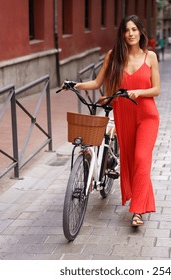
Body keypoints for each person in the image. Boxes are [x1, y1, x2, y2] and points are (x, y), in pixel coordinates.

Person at [63, 15, 160, 227]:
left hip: (147, 116)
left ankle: (137, 211)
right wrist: (75, 85)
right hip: (124, 115)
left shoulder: (150, 56)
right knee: (130, 160)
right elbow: (98, 82)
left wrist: (139, 92)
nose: (131, 34)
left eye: (134, 29)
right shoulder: (113, 56)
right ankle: (141, 201)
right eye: (127, 30)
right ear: (122, 34)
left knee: (142, 158)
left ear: (141, 32)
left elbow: (157, 89)